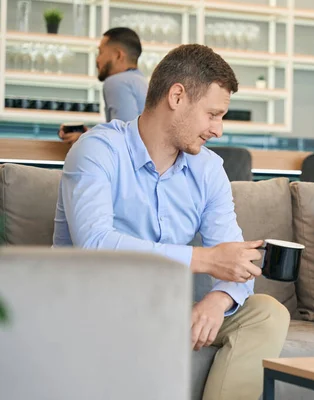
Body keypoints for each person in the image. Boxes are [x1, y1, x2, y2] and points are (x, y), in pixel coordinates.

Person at [53, 44, 290, 399]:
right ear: (177, 96)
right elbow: (96, 244)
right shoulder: (97, 150)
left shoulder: (208, 169)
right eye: (212, 114)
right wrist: (207, 260)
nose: (218, 130)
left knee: (267, 314)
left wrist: (218, 300)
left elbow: (235, 258)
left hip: (165, 308)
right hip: (97, 306)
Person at [58, 27, 148, 144]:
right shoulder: (140, 81)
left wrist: (85, 140)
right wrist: (89, 134)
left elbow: (124, 138)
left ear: (118, 55)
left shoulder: (117, 81)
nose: (97, 59)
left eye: (100, 52)